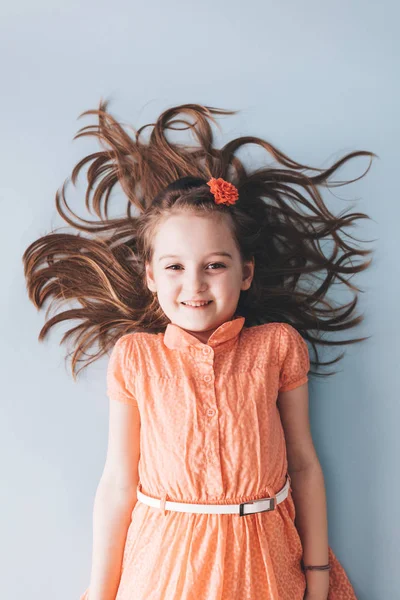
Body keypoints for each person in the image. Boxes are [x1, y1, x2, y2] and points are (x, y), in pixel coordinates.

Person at [22, 100, 376, 600]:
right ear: (150, 276)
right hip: (166, 559)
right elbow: (119, 482)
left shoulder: (276, 345)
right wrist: (100, 592)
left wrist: (317, 575)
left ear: (245, 272)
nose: (195, 284)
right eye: (174, 267)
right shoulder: (135, 358)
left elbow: (303, 464)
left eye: (214, 265)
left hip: (264, 558)